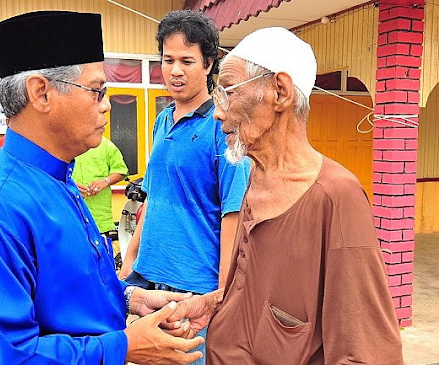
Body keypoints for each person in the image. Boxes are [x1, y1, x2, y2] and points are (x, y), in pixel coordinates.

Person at [0, 11, 203, 365]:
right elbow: (0, 356)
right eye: (97, 91)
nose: (107, 105)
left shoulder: (59, 179)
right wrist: (122, 347)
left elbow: (66, 293)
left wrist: (129, 298)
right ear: (41, 93)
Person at [166, 27, 404, 364]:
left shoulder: (337, 197)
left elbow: (366, 350)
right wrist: (213, 303)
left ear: (280, 92)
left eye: (228, 93)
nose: (218, 112)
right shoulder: (254, 177)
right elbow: (258, 295)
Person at [118, 10, 250, 363]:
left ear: (208, 65)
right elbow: (156, 196)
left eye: (187, 61)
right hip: (150, 282)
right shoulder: (163, 120)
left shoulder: (222, 129)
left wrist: (222, 293)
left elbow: (232, 214)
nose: (175, 70)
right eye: (168, 59)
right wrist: (130, 259)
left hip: (194, 287)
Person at [72, 135, 128, 235]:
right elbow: (48, 175)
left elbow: (121, 171)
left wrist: (105, 181)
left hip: (100, 220)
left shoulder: (105, 145)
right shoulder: (63, 145)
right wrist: (68, 186)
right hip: (70, 215)